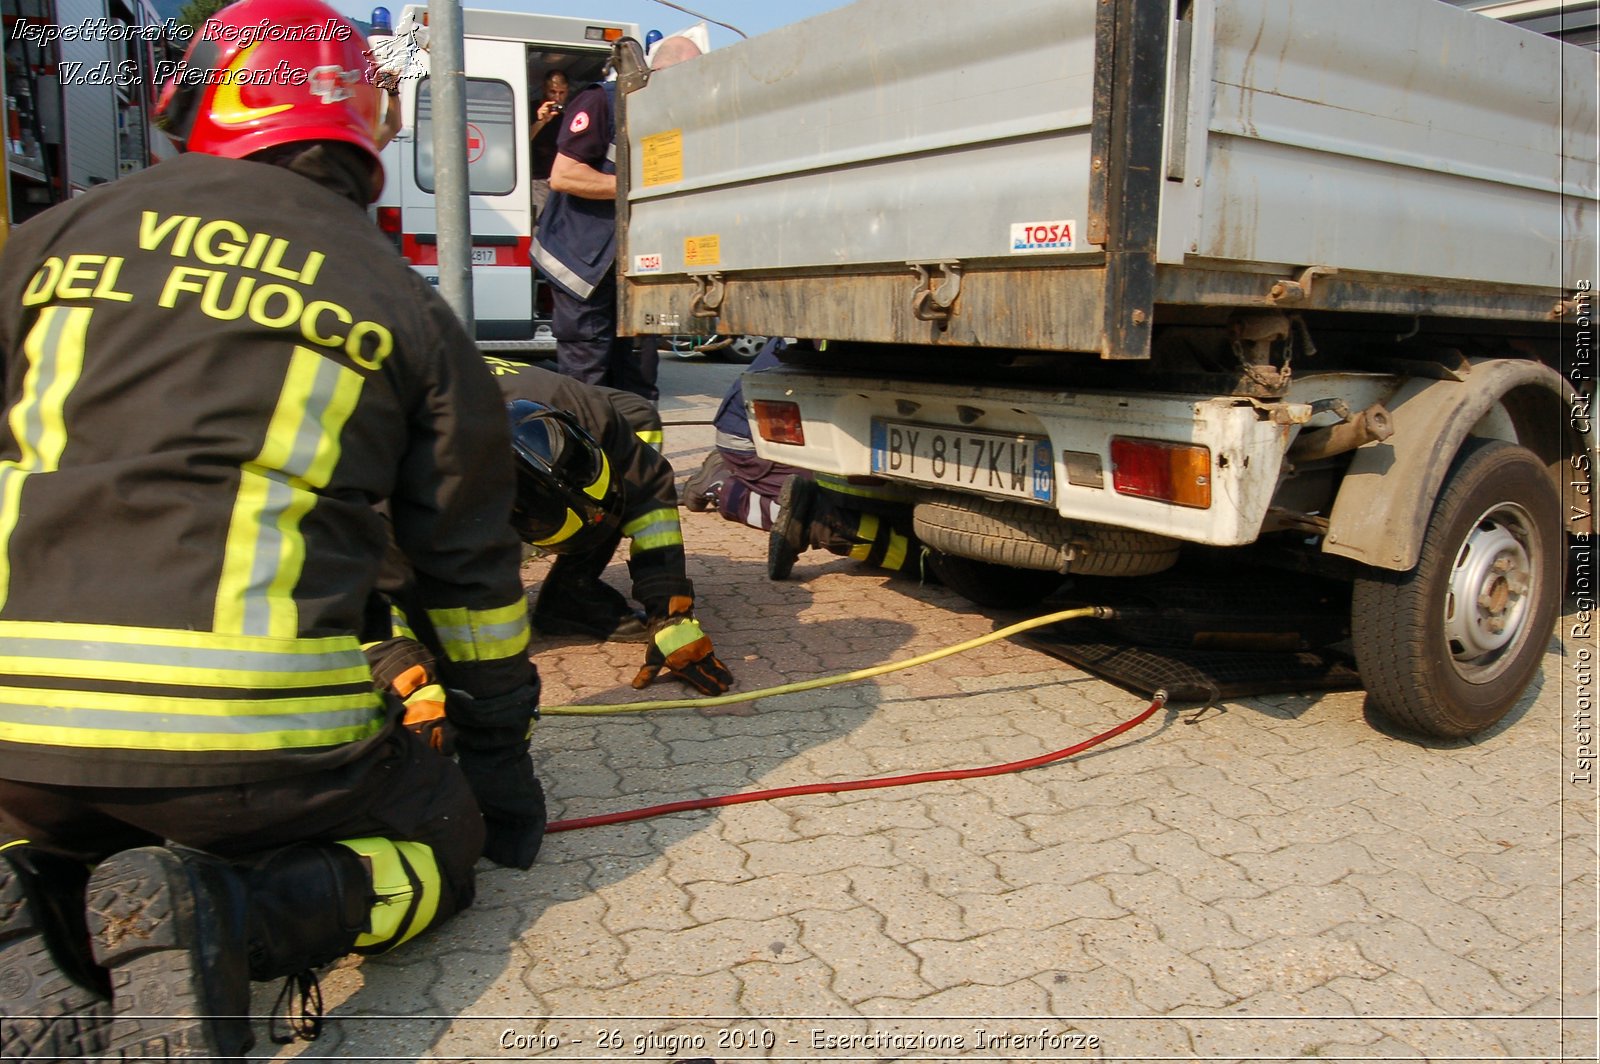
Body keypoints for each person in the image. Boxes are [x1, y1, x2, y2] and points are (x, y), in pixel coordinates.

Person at [0, 1, 544, 1060]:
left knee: (85, 811)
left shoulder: (44, 243)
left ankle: (48, 892)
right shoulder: (404, 303)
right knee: (441, 849)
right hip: (256, 751)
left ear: (203, 98)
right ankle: (233, 916)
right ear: (358, 125)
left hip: (15, 735)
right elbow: (466, 572)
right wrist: (496, 759)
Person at [483, 358, 733, 696]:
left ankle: (570, 597)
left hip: (565, 411)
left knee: (616, 495)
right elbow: (390, 567)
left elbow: (651, 502)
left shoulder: (593, 417)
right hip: (448, 458)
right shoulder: (423, 457)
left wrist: (671, 617)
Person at [531, 36, 703, 403]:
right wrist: (641, 187)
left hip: (635, 268)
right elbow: (564, 176)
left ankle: (639, 458)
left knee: (639, 381)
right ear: (660, 74)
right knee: (589, 384)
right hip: (582, 267)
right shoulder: (604, 101)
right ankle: (590, 459)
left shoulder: (674, 119)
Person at [684, 340, 926, 581]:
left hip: (792, 429)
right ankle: (724, 487)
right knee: (817, 509)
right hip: (754, 439)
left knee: (857, 502)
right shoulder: (830, 335)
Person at [529, 69, 569, 216]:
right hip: (536, 180)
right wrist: (541, 122)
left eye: (561, 93)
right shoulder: (530, 109)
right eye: (553, 92)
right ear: (544, 89)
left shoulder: (567, 117)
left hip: (558, 181)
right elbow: (520, 143)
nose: (557, 97)